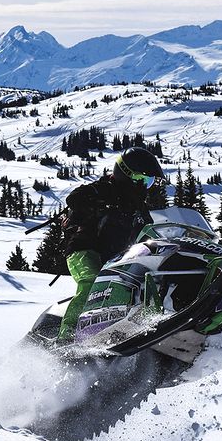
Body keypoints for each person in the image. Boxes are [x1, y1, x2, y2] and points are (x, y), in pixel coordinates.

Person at [56, 146, 164, 343]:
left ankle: (136, 326)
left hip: (114, 259)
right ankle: (66, 339)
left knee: (141, 282)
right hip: (83, 249)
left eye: (149, 182)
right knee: (91, 282)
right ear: (126, 174)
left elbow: (151, 233)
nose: (144, 187)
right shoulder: (106, 189)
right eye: (142, 180)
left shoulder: (140, 210)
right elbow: (74, 198)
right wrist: (96, 202)